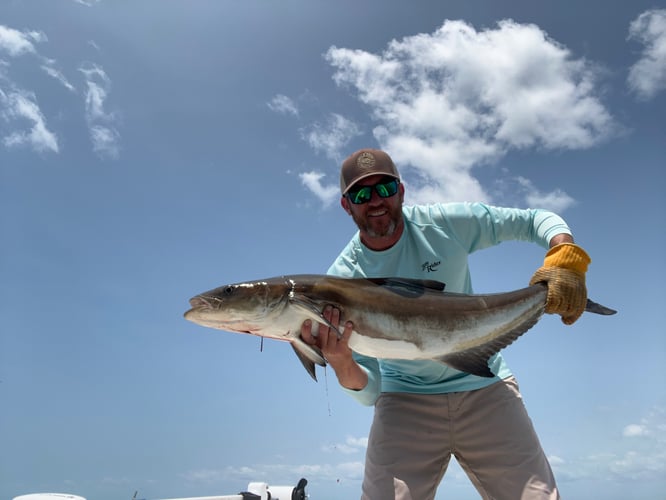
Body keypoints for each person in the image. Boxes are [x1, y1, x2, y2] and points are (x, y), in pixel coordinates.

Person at [300, 148, 591, 500]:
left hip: (485, 385)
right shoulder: (341, 281)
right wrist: (342, 362)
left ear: (402, 192)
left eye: (385, 189)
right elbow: (371, 392)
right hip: (404, 400)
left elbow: (535, 220)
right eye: (361, 194)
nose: (375, 201)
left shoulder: (443, 224)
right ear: (347, 206)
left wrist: (565, 257)